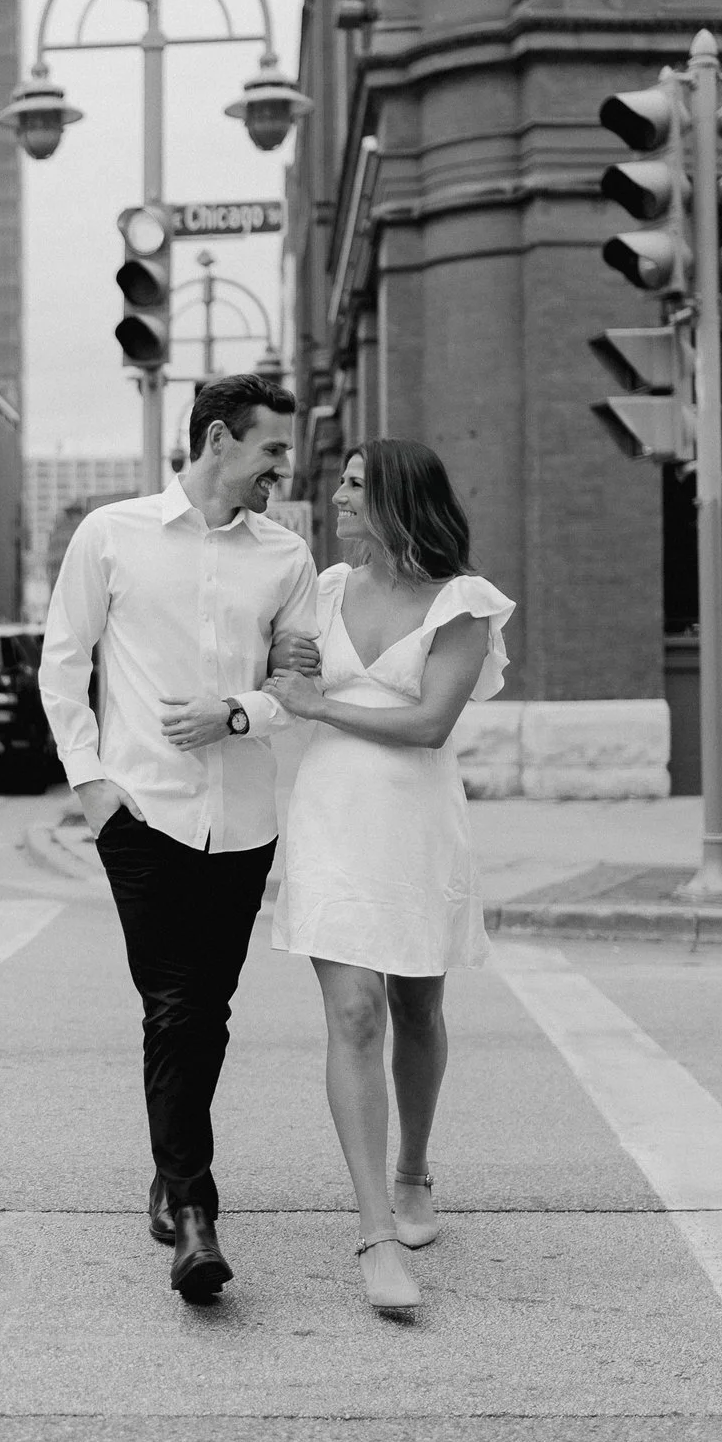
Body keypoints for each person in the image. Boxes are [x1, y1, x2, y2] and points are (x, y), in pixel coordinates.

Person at [39, 373, 321, 1301]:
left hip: (243, 821)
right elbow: (62, 662)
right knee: (174, 1006)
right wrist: (92, 785)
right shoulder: (110, 535)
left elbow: (297, 688)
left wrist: (235, 711)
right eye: (273, 448)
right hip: (144, 815)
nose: (287, 464)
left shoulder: (286, 557)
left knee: (211, 1007)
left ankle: (170, 1166)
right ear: (216, 440)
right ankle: (195, 1212)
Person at [262, 443, 514, 1313]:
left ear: (400, 500)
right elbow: (278, 685)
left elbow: (430, 722)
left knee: (416, 1007)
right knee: (355, 1009)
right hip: (330, 821)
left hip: (414, 826)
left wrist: (318, 704)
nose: (336, 495)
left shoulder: (462, 604)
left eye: (355, 485)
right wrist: (242, 707)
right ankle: (375, 1235)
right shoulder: (326, 590)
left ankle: (414, 1173)